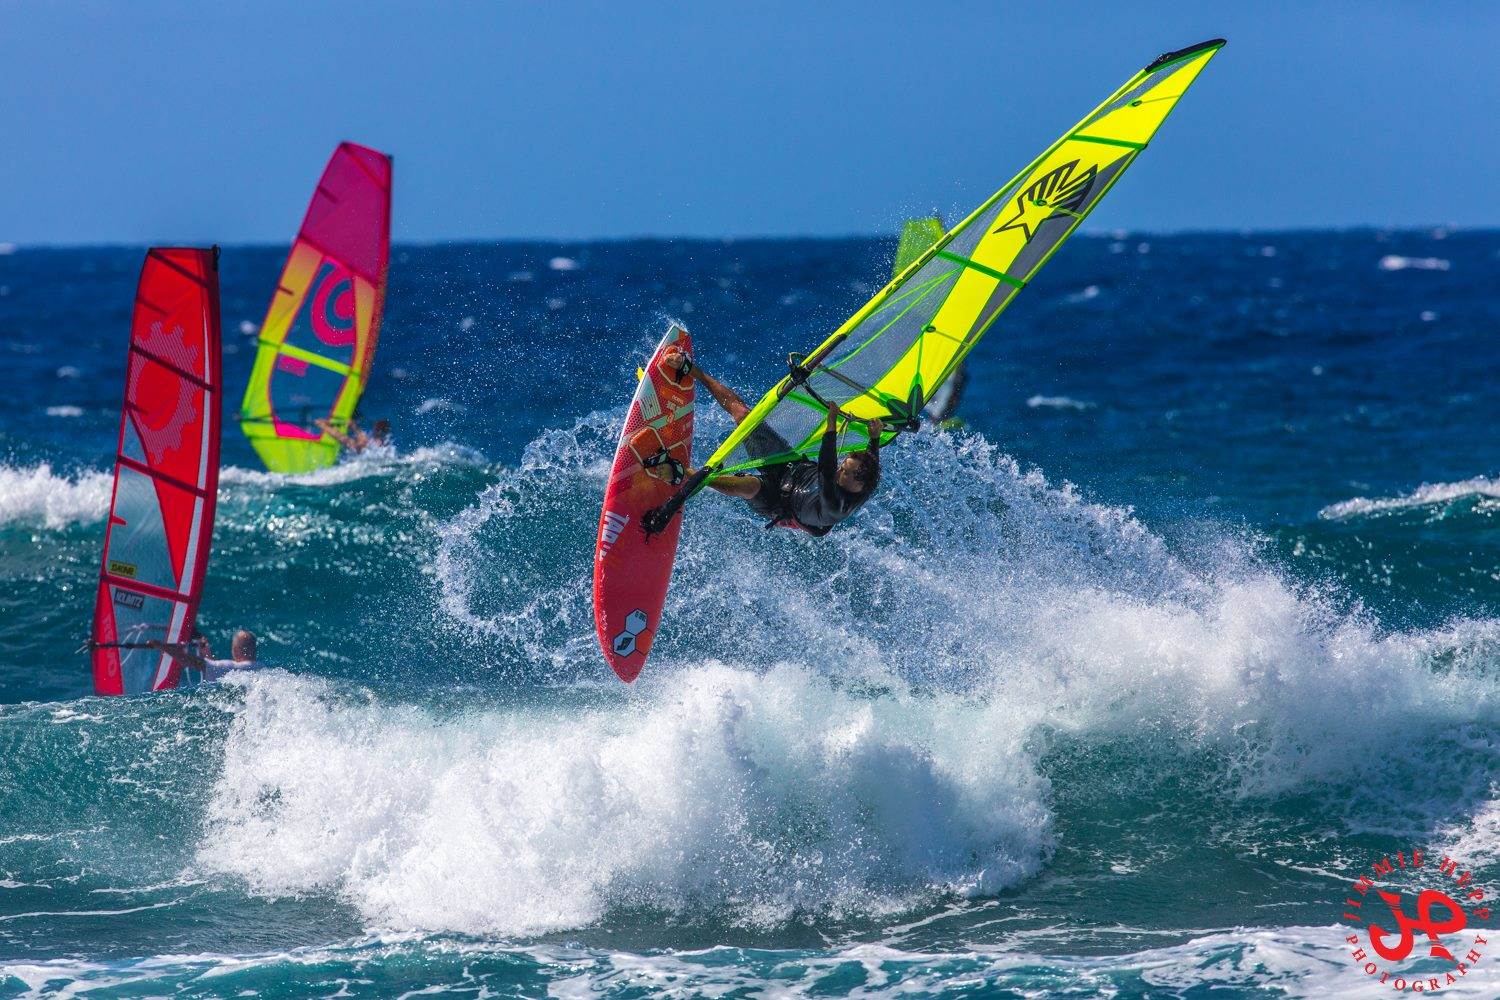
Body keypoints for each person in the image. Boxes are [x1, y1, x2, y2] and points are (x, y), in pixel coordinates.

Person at [662, 347, 882, 535]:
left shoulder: (837, 506)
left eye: (845, 471)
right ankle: (693, 371)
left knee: (747, 485)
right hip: (791, 466)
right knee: (744, 416)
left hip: (779, 502)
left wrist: (831, 423)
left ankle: (682, 472)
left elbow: (826, 468)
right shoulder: (866, 481)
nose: (839, 470)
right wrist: (874, 438)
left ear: (857, 484)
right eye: (843, 465)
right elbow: (870, 461)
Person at [148, 629, 268, 682]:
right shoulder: (262, 668)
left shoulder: (232, 667)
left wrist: (162, 646)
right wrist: (207, 654)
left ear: (235, 650)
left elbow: (194, 662)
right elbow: (218, 670)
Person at [314, 416, 390, 455]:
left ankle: (324, 425)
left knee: (348, 440)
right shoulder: (382, 443)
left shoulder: (376, 443)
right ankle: (324, 425)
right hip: (364, 455)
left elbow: (358, 446)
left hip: (363, 458)